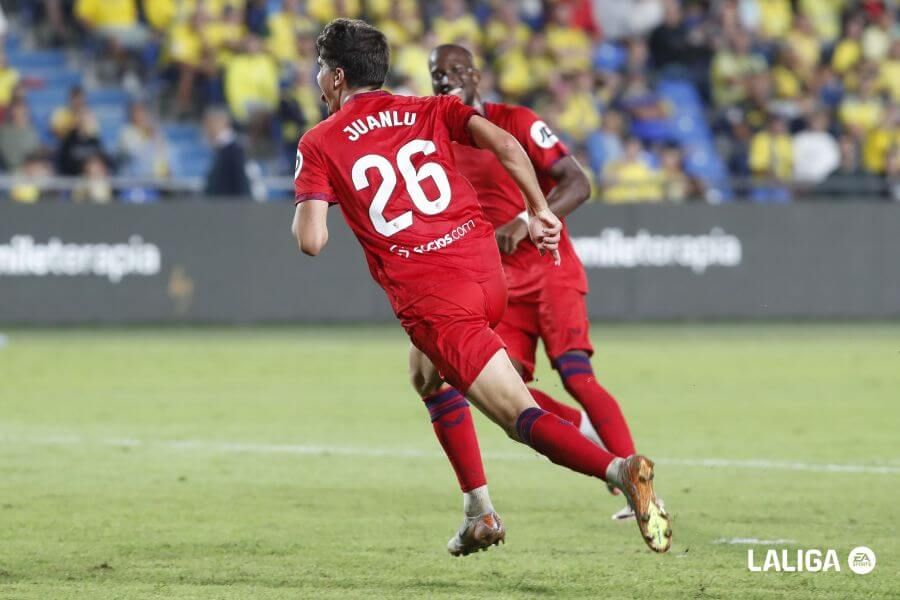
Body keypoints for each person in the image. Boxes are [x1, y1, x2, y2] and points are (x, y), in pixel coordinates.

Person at [292, 19, 671, 557]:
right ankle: (479, 511)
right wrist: (540, 212)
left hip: (435, 296)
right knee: (426, 375)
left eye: (319, 70)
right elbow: (509, 146)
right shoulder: (428, 110)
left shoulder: (319, 141)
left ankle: (618, 467)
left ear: (335, 77)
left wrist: (312, 195)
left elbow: (312, 240)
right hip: (488, 273)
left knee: (519, 416)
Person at [423, 43, 651, 527]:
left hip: (550, 267)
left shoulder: (517, 122)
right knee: (504, 387)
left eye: (456, 70)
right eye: (437, 74)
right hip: (499, 280)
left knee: (573, 371)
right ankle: (584, 433)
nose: (446, 80)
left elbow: (578, 183)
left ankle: (634, 475)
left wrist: (527, 221)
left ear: (477, 77)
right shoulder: (435, 140)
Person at [203, 107, 250, 198]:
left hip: (229, 207)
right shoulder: (220, 149)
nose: (207, 128)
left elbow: (242, 183)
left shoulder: (234, 150)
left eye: (210, 123)